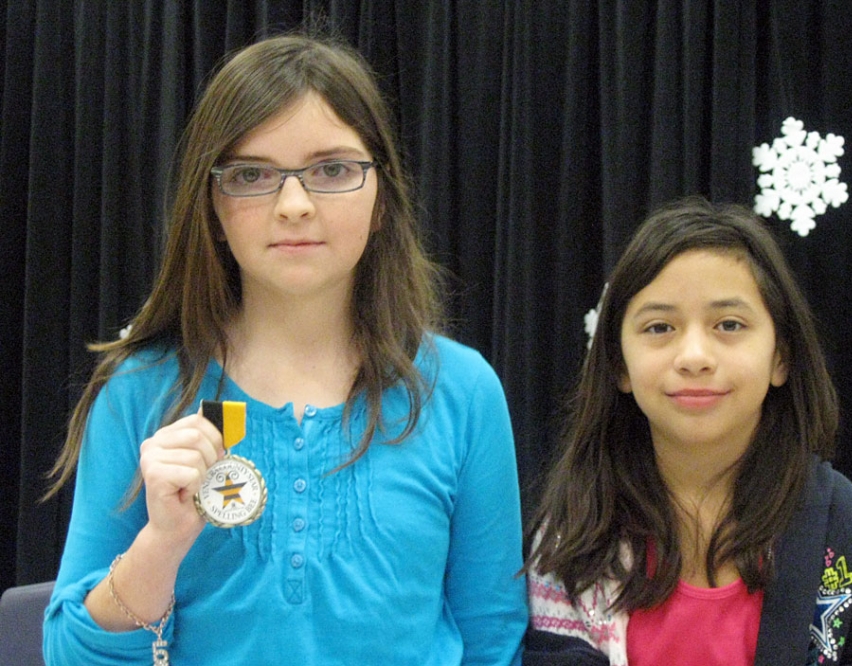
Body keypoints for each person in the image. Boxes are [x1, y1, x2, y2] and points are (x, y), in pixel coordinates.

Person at [43, 33, 527, 665]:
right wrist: (160, 545)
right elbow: (67, 655)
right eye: (252, 175)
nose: (294, 205)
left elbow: (494, 641)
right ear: (212, 205)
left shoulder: (462, 392)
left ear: (382, 199)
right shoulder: (140, 391)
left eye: (332, 170)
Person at [523, 197, 852, 665]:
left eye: (729, 324)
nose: (694, 356)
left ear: (781, 357)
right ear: (619, 365)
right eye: (660, 327)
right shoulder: (571, 540)